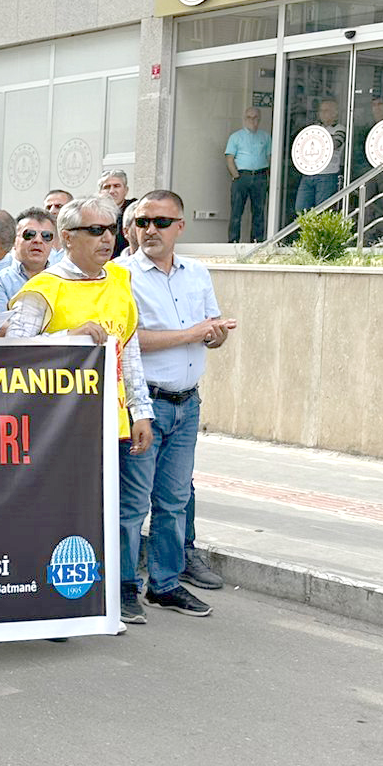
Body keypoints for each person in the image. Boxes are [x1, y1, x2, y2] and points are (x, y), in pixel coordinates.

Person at [12, 196, 155, 625]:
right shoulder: (44, 289)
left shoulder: (119, 281)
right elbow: (11, 355)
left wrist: (141, 410)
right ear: (67, 238)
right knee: (59, 515)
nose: (106, 238)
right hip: (59, 428)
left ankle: (113, 593)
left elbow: (127, 351)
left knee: (121, 511)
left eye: (111, 229)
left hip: (113, 422)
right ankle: (51, 603)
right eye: (95, 231)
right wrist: (68, 338)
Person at [116, 189, 235, 623]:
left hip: (187, 402)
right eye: (143, 221)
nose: (150, 230)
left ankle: (164, 585)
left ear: (180, 227)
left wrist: (215, 334)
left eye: (161, 222)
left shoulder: (197, 273)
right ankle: (124, 587)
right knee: (133, 504)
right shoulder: (120, 275)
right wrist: (190, 333)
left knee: (174, 500)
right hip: (143, 403)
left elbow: (211, 326)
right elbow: (126, 340)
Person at [0, 206, 57, 309]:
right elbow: (0, 322)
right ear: (13, 240)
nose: (38, 240)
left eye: (46, 236)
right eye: (30, 234)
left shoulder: (62, 280)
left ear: (53, 243)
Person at [224, 107, 272, 243]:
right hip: (242, 176)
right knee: (236, 212)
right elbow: (229, 158)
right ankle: (233, 241)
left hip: (260, 176)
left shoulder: (265, 136)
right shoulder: (236, 137)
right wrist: (236, 176)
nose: (253, 120)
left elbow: (270, 158)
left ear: (260, 119)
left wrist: (269, 177)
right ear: (245, 119)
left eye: (256, 117)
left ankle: (257, 241)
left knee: (259, 211)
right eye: (249, 117)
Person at [295, 98, 345, 215]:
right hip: (308, 173)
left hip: (327, 175)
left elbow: (335, 144)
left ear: (335, 113)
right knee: (301, 210)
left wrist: (317, 137)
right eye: (321, 110)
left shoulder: (339, 128)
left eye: (326, 110)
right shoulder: (315, 128)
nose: (322, 113)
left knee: (322, 212)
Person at [98, 170, 134, 257]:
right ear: (100, 192)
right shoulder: (93, 212)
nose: (111, 191)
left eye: (116, 186)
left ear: (126, 190)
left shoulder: (134, 210)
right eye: (107, 187)